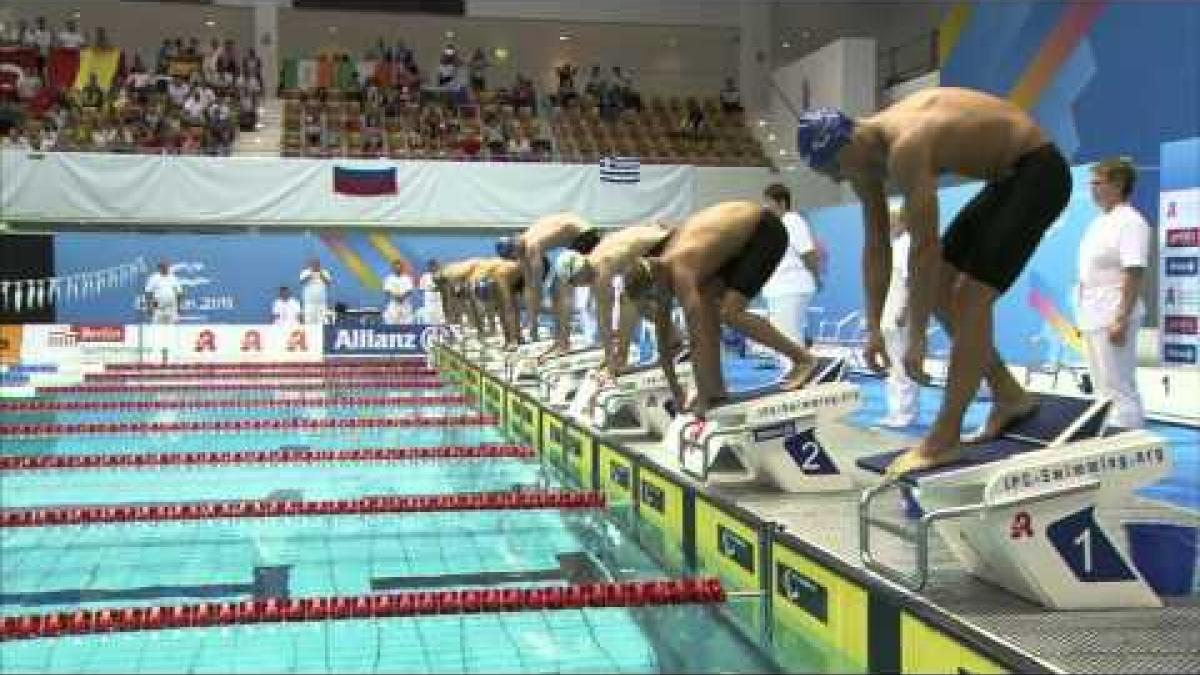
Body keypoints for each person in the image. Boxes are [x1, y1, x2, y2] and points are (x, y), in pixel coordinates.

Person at [794, 87, 1072, 477]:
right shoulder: (863, 161)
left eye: (837, 169)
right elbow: (877, 246)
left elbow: (925, 247)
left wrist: (917, 335)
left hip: (1040, 173)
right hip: (1004, 181)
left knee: (972, 296)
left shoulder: (906, 144)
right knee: (942, 290)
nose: (841, 178)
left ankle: (945, 438)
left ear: (849, 142)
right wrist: (873, 327)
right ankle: (1010, 397)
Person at [622, 201, 819, 416]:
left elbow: (697, 339)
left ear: (654, 284)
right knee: (707, 307)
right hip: (736, 239)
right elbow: (663, 344)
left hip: (764, 230)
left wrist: (701, 399)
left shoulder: (681, 271)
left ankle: (803, 359)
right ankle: (716, 391)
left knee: (729, 313)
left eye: (652, 298)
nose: (657, 302)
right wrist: (675, 390)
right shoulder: (662, 274)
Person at [553, 221, 681, 379]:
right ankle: (675, 342)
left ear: (577, 275)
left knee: (629, 298)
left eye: (575, 283)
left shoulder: (601, 269)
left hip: (668, 245)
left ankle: (623, 357)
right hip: (665, 239)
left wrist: (613, 359)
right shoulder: (594, 259)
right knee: (637, 299)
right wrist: (609, 356)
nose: (580, 286)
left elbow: (604, 320)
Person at [1076, 157, 1148, 429]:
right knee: (1103, 385)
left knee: (1118, 383)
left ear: (1118, 184)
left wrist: (1121, 318)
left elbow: (1134, 271)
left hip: (1114, 311)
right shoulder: (1099, 222)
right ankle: (1110, 439)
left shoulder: (1131, 222)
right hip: (1092, 312)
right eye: (1091, 182)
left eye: (1098, 182)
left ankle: (1130, 438)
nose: (1092, 188)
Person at [496, 212, 602, 351]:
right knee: (556, 289)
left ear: (514, 250)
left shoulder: (531, 246)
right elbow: (530, 286)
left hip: (585, 236)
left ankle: (563, 342)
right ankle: (561, 339)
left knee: (560, 289)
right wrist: (531, 320)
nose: (518, 258)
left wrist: (533, 324)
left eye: (516, 255)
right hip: (583, 234)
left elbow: (536, 286)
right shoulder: (525, 240)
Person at [761, 183, 821, 366]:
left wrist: (816, 277)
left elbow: (808, 253)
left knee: (788, 338)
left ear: (781, 202)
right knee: (784, 338)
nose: (765, 206)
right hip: (779, 289)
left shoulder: (792, 221)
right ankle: (792, 374)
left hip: (791, 288)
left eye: (768, 202)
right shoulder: (776, 225)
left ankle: (796, 377)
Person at [880, 206, 919, 428]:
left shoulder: (905, 245)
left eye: (892, 221)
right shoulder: (895, 246)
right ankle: (896, 411)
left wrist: (904, 311)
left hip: (899, 315)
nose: (888, 226)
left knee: (901, 365)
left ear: (903, 222)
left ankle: (905, 413)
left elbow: (912, 281)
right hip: (891, 314)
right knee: (894, 366)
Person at [466, 258, 523, 348]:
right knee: (511, 308)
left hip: (501, 278)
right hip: (511, 275)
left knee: (505, 310)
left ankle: (512, 340)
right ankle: (516, 337)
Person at [144, 260, 183, 324]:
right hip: (158, 308)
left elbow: (179, 293)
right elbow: (148, 293)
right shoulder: (153, 278)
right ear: (159, 268)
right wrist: (149, 307)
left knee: (172, 328)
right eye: (163, 267)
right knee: (157, 328)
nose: (165, 268)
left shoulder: (173, 278)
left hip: (171, 308)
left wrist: (179, 307)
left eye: (167, 267)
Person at [381, 259, 416, 325]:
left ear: (402, 268)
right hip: (393, 303)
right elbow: (387, 291)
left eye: (399, 267)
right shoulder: (389, 278)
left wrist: (402, 298)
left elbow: (410, 290)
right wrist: (395, 297)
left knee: (407, 322)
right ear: (393, 268)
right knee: (391, 321)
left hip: (405, 303)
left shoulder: (407, 278)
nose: (397, 269)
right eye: (396, 268)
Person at [298, 258, 332, 325]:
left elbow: (328, 283)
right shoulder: (305, 272)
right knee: (309, 321)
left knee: (322, 321)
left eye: (317, 264)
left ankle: (322, 335)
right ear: (310, 265)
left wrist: (320, 273)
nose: (315, 265)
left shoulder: (324, 272)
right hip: (309, 302)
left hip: (321, 302)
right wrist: (311, 273)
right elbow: (302, 281)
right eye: (314, 264)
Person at [419, 259, 444, 324]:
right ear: (428, 267)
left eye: (434, 266)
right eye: (431, 266)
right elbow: (421, 290)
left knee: (440, 322)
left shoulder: (441, 276)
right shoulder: (424, 277)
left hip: (439, 303)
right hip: (429, 303)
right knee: (428, 322)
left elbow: (444, 288)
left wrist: (437, 289)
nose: (433, 268)